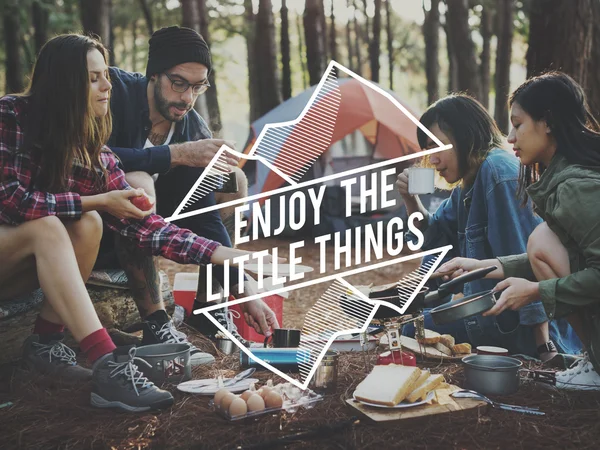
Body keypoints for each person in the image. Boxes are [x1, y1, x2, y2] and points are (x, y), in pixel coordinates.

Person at [0, 34, 276, 411]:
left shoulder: (86, 142)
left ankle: (45, 344)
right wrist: (99, 199)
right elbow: (11, 201)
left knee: (89, 223)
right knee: (59, 223)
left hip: (29, 265)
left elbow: (144, 225)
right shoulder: (12, 113)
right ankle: (107, 363)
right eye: (94, 78)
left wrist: (227, 255)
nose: (107, 85)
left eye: (106, 76)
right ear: (65, 82)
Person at [98, 26, 278, 358]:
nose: (186, 98)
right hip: (95, 222)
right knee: (138, 182)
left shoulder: (192, 126)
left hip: (157, 229)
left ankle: (208, 309)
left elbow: (206, 216)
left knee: (232, 180)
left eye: (198, 87)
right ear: (154, 74)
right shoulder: (114, 93)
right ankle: (155, 323)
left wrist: (243, 288)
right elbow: (88, 158)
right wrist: (176, 155)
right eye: (178, 83)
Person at [438, 73, 600, 389]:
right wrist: (482, 268)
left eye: (518, 124)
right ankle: (594, 360)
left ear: (548, 122)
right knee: (542, 242)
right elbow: (567, 258)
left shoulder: (576, 188)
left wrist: (536, 291)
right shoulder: (563, 180)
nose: (510, 137)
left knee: (540, 240)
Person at [397, 94, 580, 360]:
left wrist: (543, 348)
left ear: (465, 135)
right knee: (410, 325)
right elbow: (435, 241)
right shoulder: (467, 185)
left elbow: (527, 258)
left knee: (412, 331)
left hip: (519, 326)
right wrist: (411, 201)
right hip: (492, 316)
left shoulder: (497, 172)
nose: (433, 161)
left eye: (437, 146)